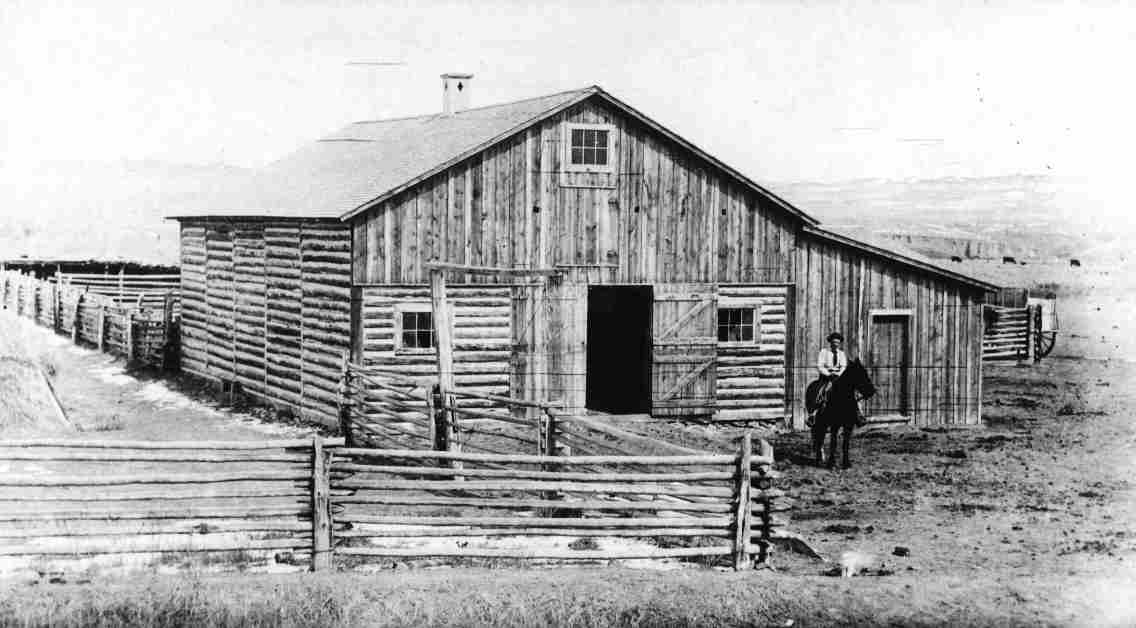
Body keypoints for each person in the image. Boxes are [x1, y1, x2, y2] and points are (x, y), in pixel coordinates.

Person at [807, 332, 847, 426]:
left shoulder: (841, 354)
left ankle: (857, 415)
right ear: (830, 343)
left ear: (839, 343)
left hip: (838, 377)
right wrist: (828, 374)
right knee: (821, 392)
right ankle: (813, 414)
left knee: (849, 392)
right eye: (834, 342)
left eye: (837, 342)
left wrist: (838, 373)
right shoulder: (824, 352)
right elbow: (820, 366)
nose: (835, 344)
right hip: (826, 377)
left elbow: (843, 366)